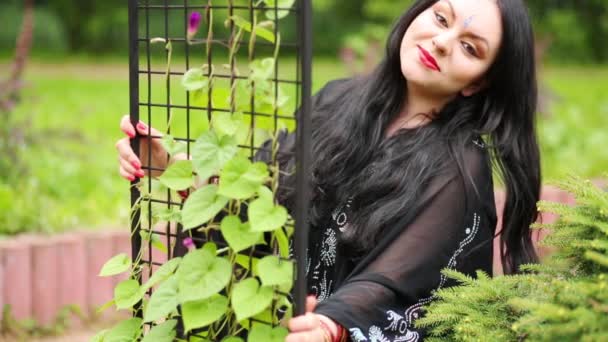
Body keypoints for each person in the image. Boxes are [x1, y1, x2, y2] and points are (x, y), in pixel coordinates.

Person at [115, 0, 541, 340]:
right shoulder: (339, 102)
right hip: (279, 319)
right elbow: (263, 188)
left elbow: (394, 280)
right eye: (440, 17)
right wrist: (171, 166)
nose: (443, 41)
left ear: (478, 82)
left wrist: (332, 324)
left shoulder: (459, 167)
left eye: (470, 47)